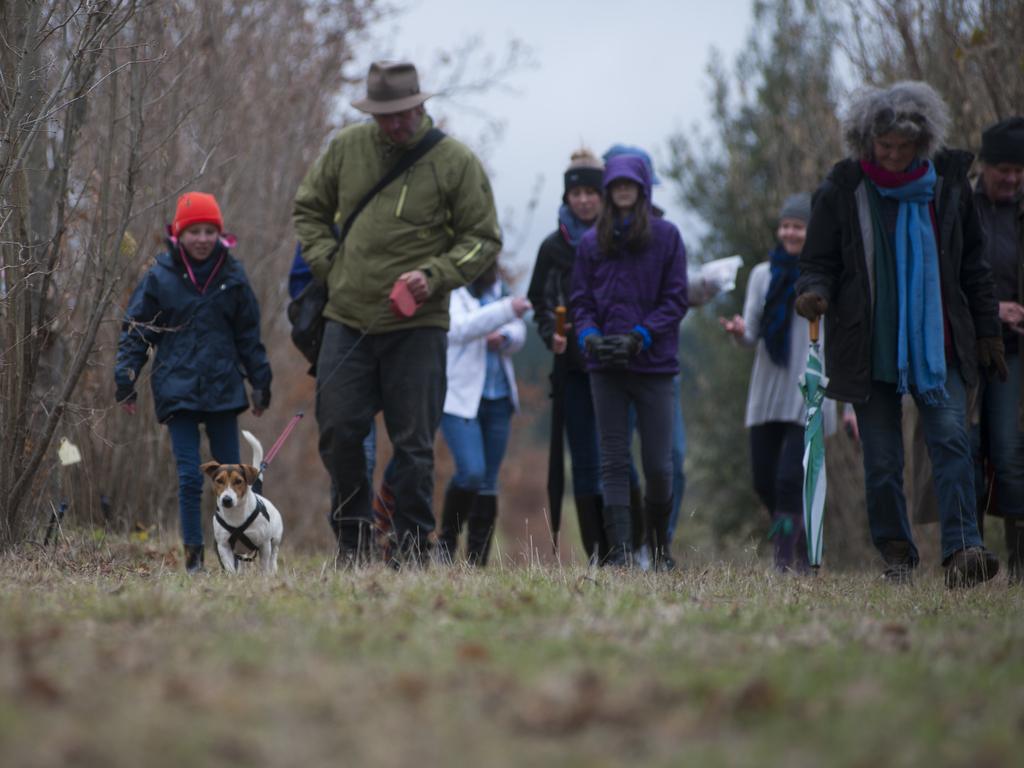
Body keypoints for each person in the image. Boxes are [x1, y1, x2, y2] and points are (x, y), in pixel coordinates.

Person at [795, 81, 1004, 588]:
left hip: (941, 343)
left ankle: (963, 551)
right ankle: (898, 558)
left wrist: (986, 331)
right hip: (870, 347)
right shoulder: (842, 189)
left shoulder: (948, 187)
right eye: (882, 146)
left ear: (922, 144)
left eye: (902, 148)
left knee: (953, 442)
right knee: (884, 461)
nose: (890, 156)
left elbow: (974, 267)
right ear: (866, 141)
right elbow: (818, 262)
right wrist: (814, 292)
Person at [292, 60, 501, 565]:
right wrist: (330, 266)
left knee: (412, 445)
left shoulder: (454, 162)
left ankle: (411, 545)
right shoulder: (346, 148)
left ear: (420, 105)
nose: (394, 124)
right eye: (384, 115)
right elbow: (309, 211)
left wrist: (433, 276)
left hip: (419, 326)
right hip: (347, 317)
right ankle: (353, 540)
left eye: (403, 113)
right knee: (340, 429)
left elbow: (483, 241)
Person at [115, 192, 272, 573]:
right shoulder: (160, 276)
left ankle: (242, 551)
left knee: (237, 479)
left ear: (219, 234)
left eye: (209, 231)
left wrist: (260, 381)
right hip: (177, 390)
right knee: (189, 478)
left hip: (223, 390)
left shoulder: (233, 277)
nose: (202, 239)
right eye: (194, 231)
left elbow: (248, 335)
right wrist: (126, 375)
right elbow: (136, 330)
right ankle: (193, 560)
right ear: (179, 234)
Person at [570, 154, 688, 568]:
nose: (622, 191)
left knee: (659, 464)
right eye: (616, 184)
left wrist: (642, 335)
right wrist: (589, 337)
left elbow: (676, 299)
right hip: (605, 368)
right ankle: (619, 552)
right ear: (609, 189)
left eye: (629, 184)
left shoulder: (667, 237)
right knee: (614, 459)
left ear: (642, 188)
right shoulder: (590, 243)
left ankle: (658, 548)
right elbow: (580, 300)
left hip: (654, 365)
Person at [721, 193, 836, 571]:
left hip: (808, 389)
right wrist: (738, 331)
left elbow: (835, 339)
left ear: (810, 231)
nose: (790, 232)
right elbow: (752, 332)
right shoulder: (762, 274)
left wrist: (846, 406)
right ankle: (799, 543)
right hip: (768, 389)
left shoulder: (824, 276)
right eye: (786, 225)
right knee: (764, 480)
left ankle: (785, 561)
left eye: (798, 226)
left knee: (790, 478)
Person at [528, 148, 608, 562]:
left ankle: (628, 547)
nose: (583, 200)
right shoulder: (551, 248)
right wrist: (550, 335)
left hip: (616, 366)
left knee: (619, 457)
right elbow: (539, 300)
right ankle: (597, 550)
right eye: (576, 194)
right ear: (567, 197)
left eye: (591, 192)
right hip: (572, 370)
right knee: (584, 460)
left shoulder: (619, 241)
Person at [438, 264, 529, 566]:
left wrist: (504, 337)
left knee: (489, 481)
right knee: (471, 472)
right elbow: (460, 328)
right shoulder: (451, 290)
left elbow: (519, 331)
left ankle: (477, 562)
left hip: (499, 397)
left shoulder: (499, 289)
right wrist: (504, 312)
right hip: (461, 398)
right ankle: (446, 544)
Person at [971, 116, 1024, 582]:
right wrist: (993, 310)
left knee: (1009, 453)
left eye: (1019, 171)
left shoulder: (1020, 212)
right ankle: (968, 555)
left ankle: (1019, 559)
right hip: (965, 351)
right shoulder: (961, 208)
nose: (1011, 178)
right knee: (965, 450)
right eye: (1004, 168)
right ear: (984, 165)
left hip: (1013, 355)